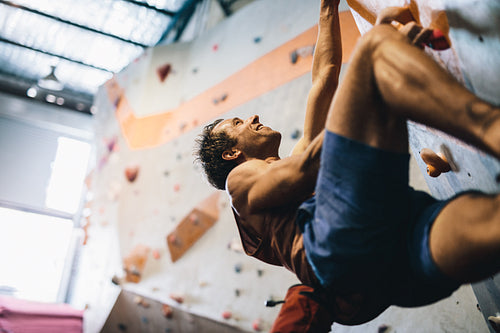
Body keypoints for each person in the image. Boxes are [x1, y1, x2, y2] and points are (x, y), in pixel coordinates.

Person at [194, 0, 500, 325]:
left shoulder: (282, 174)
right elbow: (309, 169)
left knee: (488, 220)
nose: (253, 117)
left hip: (377, 273)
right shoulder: (238, 184)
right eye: (238, 123)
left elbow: (323, 81)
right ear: (230, 154)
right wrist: (372, 94)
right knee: (374, 50)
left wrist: (328, 9)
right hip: (334, 249)